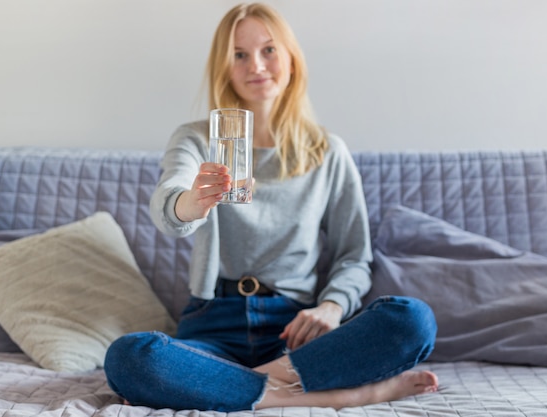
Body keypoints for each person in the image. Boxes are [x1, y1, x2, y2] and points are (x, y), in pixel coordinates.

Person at [104, 2, 438, 412]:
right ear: (224, 68)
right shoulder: (195, 139)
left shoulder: (327, 151)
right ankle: (338, 396)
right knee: (131, 357)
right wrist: (192, 203)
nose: (256, 65)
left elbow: (354, 256)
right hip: (214, 322)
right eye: (239, 55)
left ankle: (232, 388)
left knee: (413, 320)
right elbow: (168, 205)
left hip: (298, 329)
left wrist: (331, 308)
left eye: (269, 50)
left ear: (292, 59)